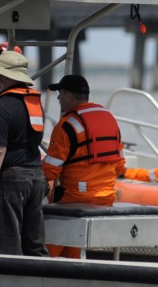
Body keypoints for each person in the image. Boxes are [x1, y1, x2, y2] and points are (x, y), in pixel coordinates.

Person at [0, 49, 48, 256]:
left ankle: (8, 286)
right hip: (36, 178)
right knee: (34, 243)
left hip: (11, 181)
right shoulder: (35, 104)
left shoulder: (2, 107)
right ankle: (40, 282)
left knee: (6, 243)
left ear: (4, 77)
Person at [42, 74, 124, 206]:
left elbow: (50, 171)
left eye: (60, 93)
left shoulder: (66, 126)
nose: (58, 97)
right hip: (107, 197)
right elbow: (119, 166)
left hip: (74, 198)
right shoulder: (110, 121)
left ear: (69, 96)